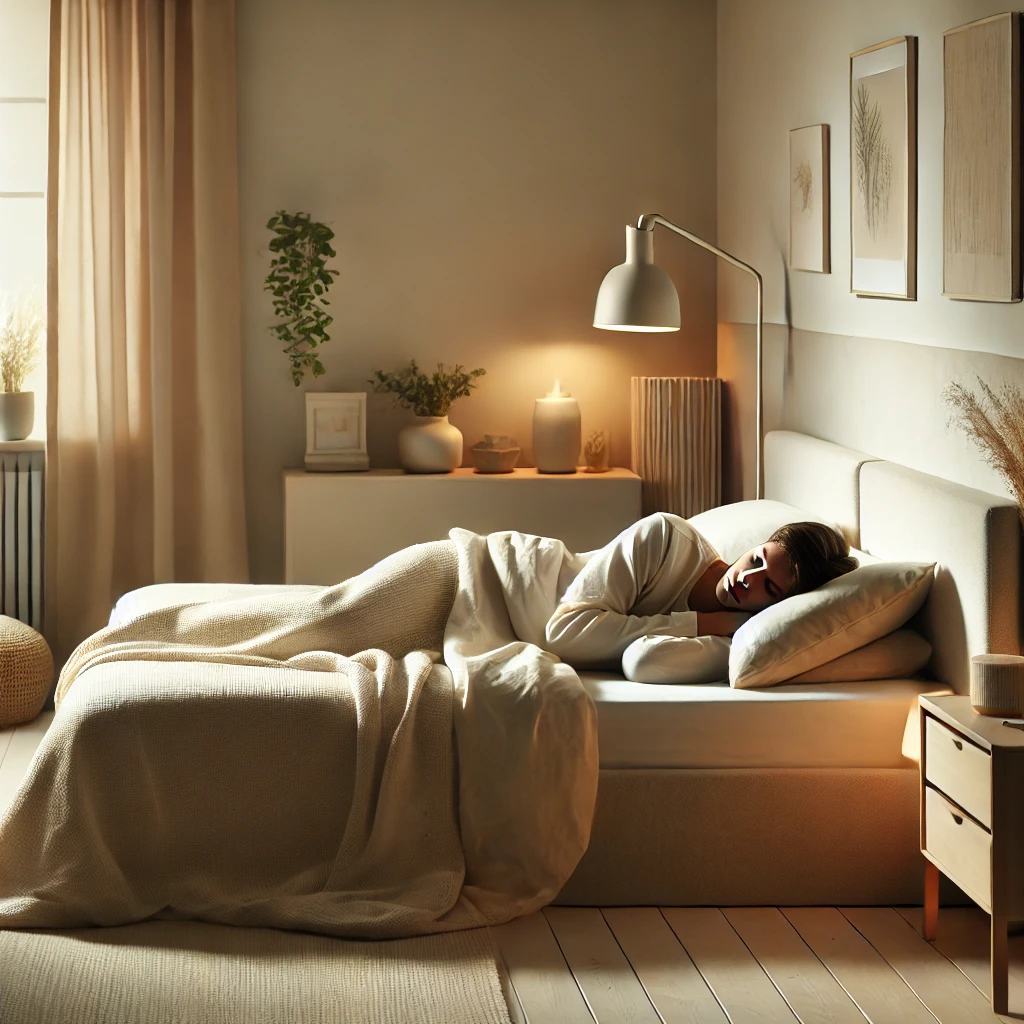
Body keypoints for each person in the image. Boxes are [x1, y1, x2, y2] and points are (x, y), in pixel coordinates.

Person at [541, 512, 857, 684]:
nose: (745, 579)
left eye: (769, 588)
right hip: (519, 577)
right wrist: (700, 621)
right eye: (756, 559)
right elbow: (563, 633)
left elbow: (641, 662)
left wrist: (705, 628)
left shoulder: (738, 638)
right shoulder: (665, 539)